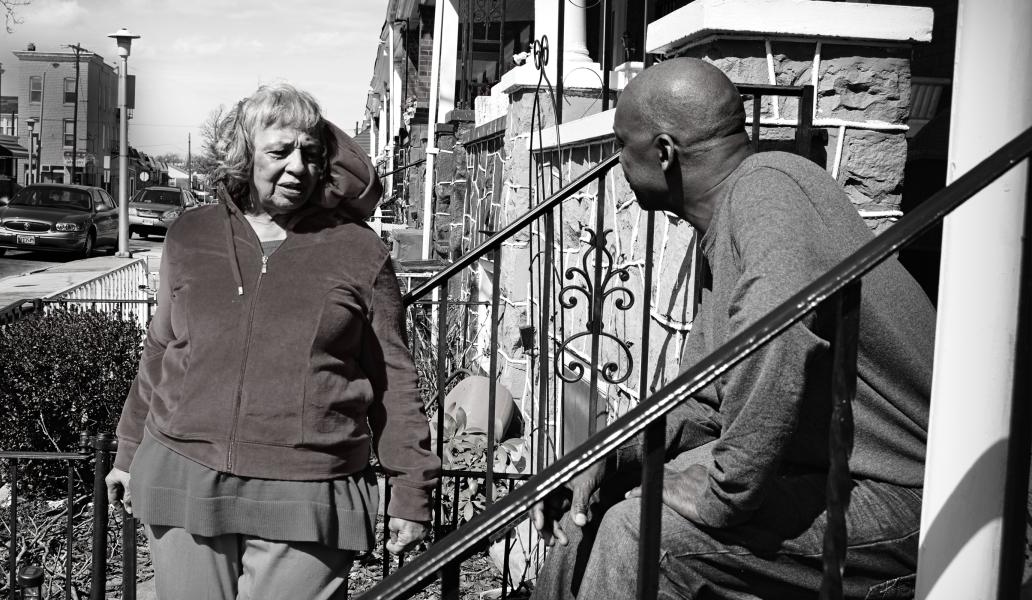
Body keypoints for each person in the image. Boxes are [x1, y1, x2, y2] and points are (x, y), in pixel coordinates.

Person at [530, 58, 936, 599]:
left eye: (621, 145)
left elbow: (780, 330)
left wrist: (725, 490)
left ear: (664, 151)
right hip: (833, 471)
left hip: (909, 492)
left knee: (641, 531)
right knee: (593, 502)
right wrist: (609, 455)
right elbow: (704, 404)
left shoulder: (769, 187)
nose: (617, 162)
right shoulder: (723, 232)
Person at [106, 83, 440, 599]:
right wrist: (129, 452)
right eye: (280, 151)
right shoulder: (190, 236)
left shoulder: (359, 252)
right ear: (244, 156)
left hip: (307, 490)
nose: (298, 167)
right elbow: (161, 349)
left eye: (310, 153)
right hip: (184, 477)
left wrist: (411, 488)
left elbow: (393, 378)